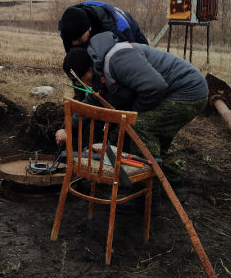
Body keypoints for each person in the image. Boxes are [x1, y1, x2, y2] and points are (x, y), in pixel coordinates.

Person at [56, 31, 208, 193]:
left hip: (187, 92)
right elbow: (93, 100)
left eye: (78, 79)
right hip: (174, 92)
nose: (81, 84)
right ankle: (175, 184)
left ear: (88, 70)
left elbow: (155, 87)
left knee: (139, 128)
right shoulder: (99, 69)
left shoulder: (117, 60)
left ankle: (145, 194)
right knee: (152, 139)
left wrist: (130, 116)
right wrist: (68, 129)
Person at [58, 0, 148, 52]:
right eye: (71, 41)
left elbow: (132, 60)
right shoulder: (67, 29)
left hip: (131, 35)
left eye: (79, 40)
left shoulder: (119, 30)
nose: (74, 44)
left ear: (89, 29)